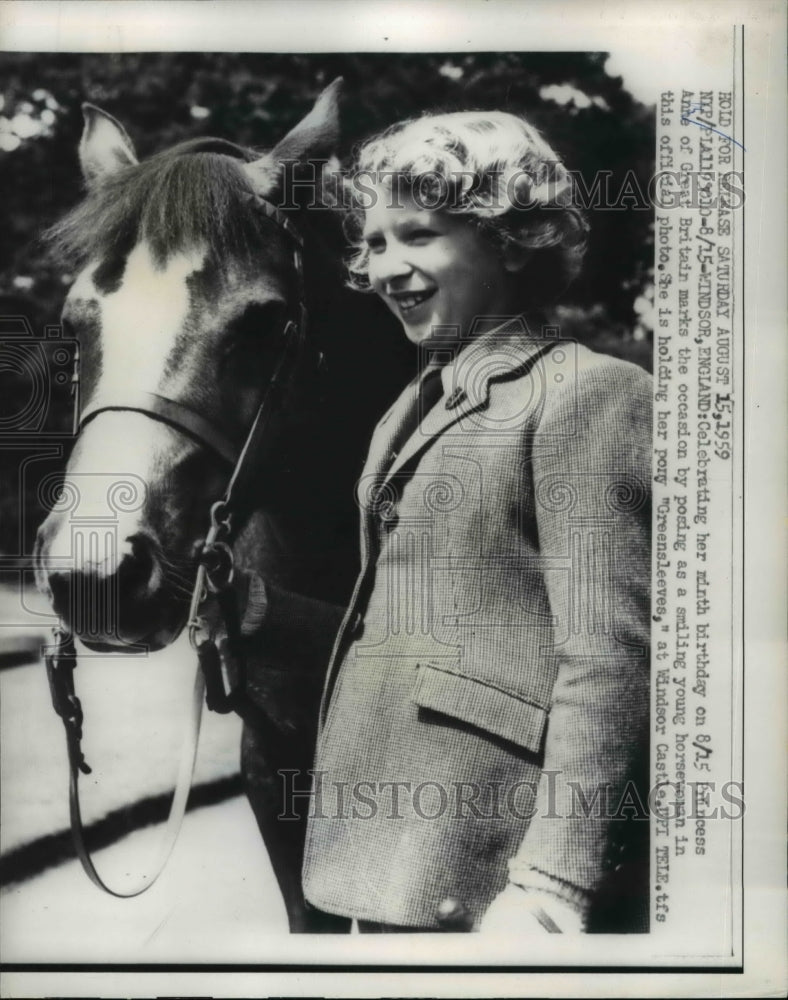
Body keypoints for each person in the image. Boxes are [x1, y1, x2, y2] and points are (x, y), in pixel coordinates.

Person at [241, 110, 652, 933]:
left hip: (492, 878)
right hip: (387, 859)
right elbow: (402, 635)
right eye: (373, 243)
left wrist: (555, 884)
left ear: (509, 238)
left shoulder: (589, 393)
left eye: (418, 236)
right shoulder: (409, 409)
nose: (387, 267)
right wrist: (262, 612)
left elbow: (611, 658)